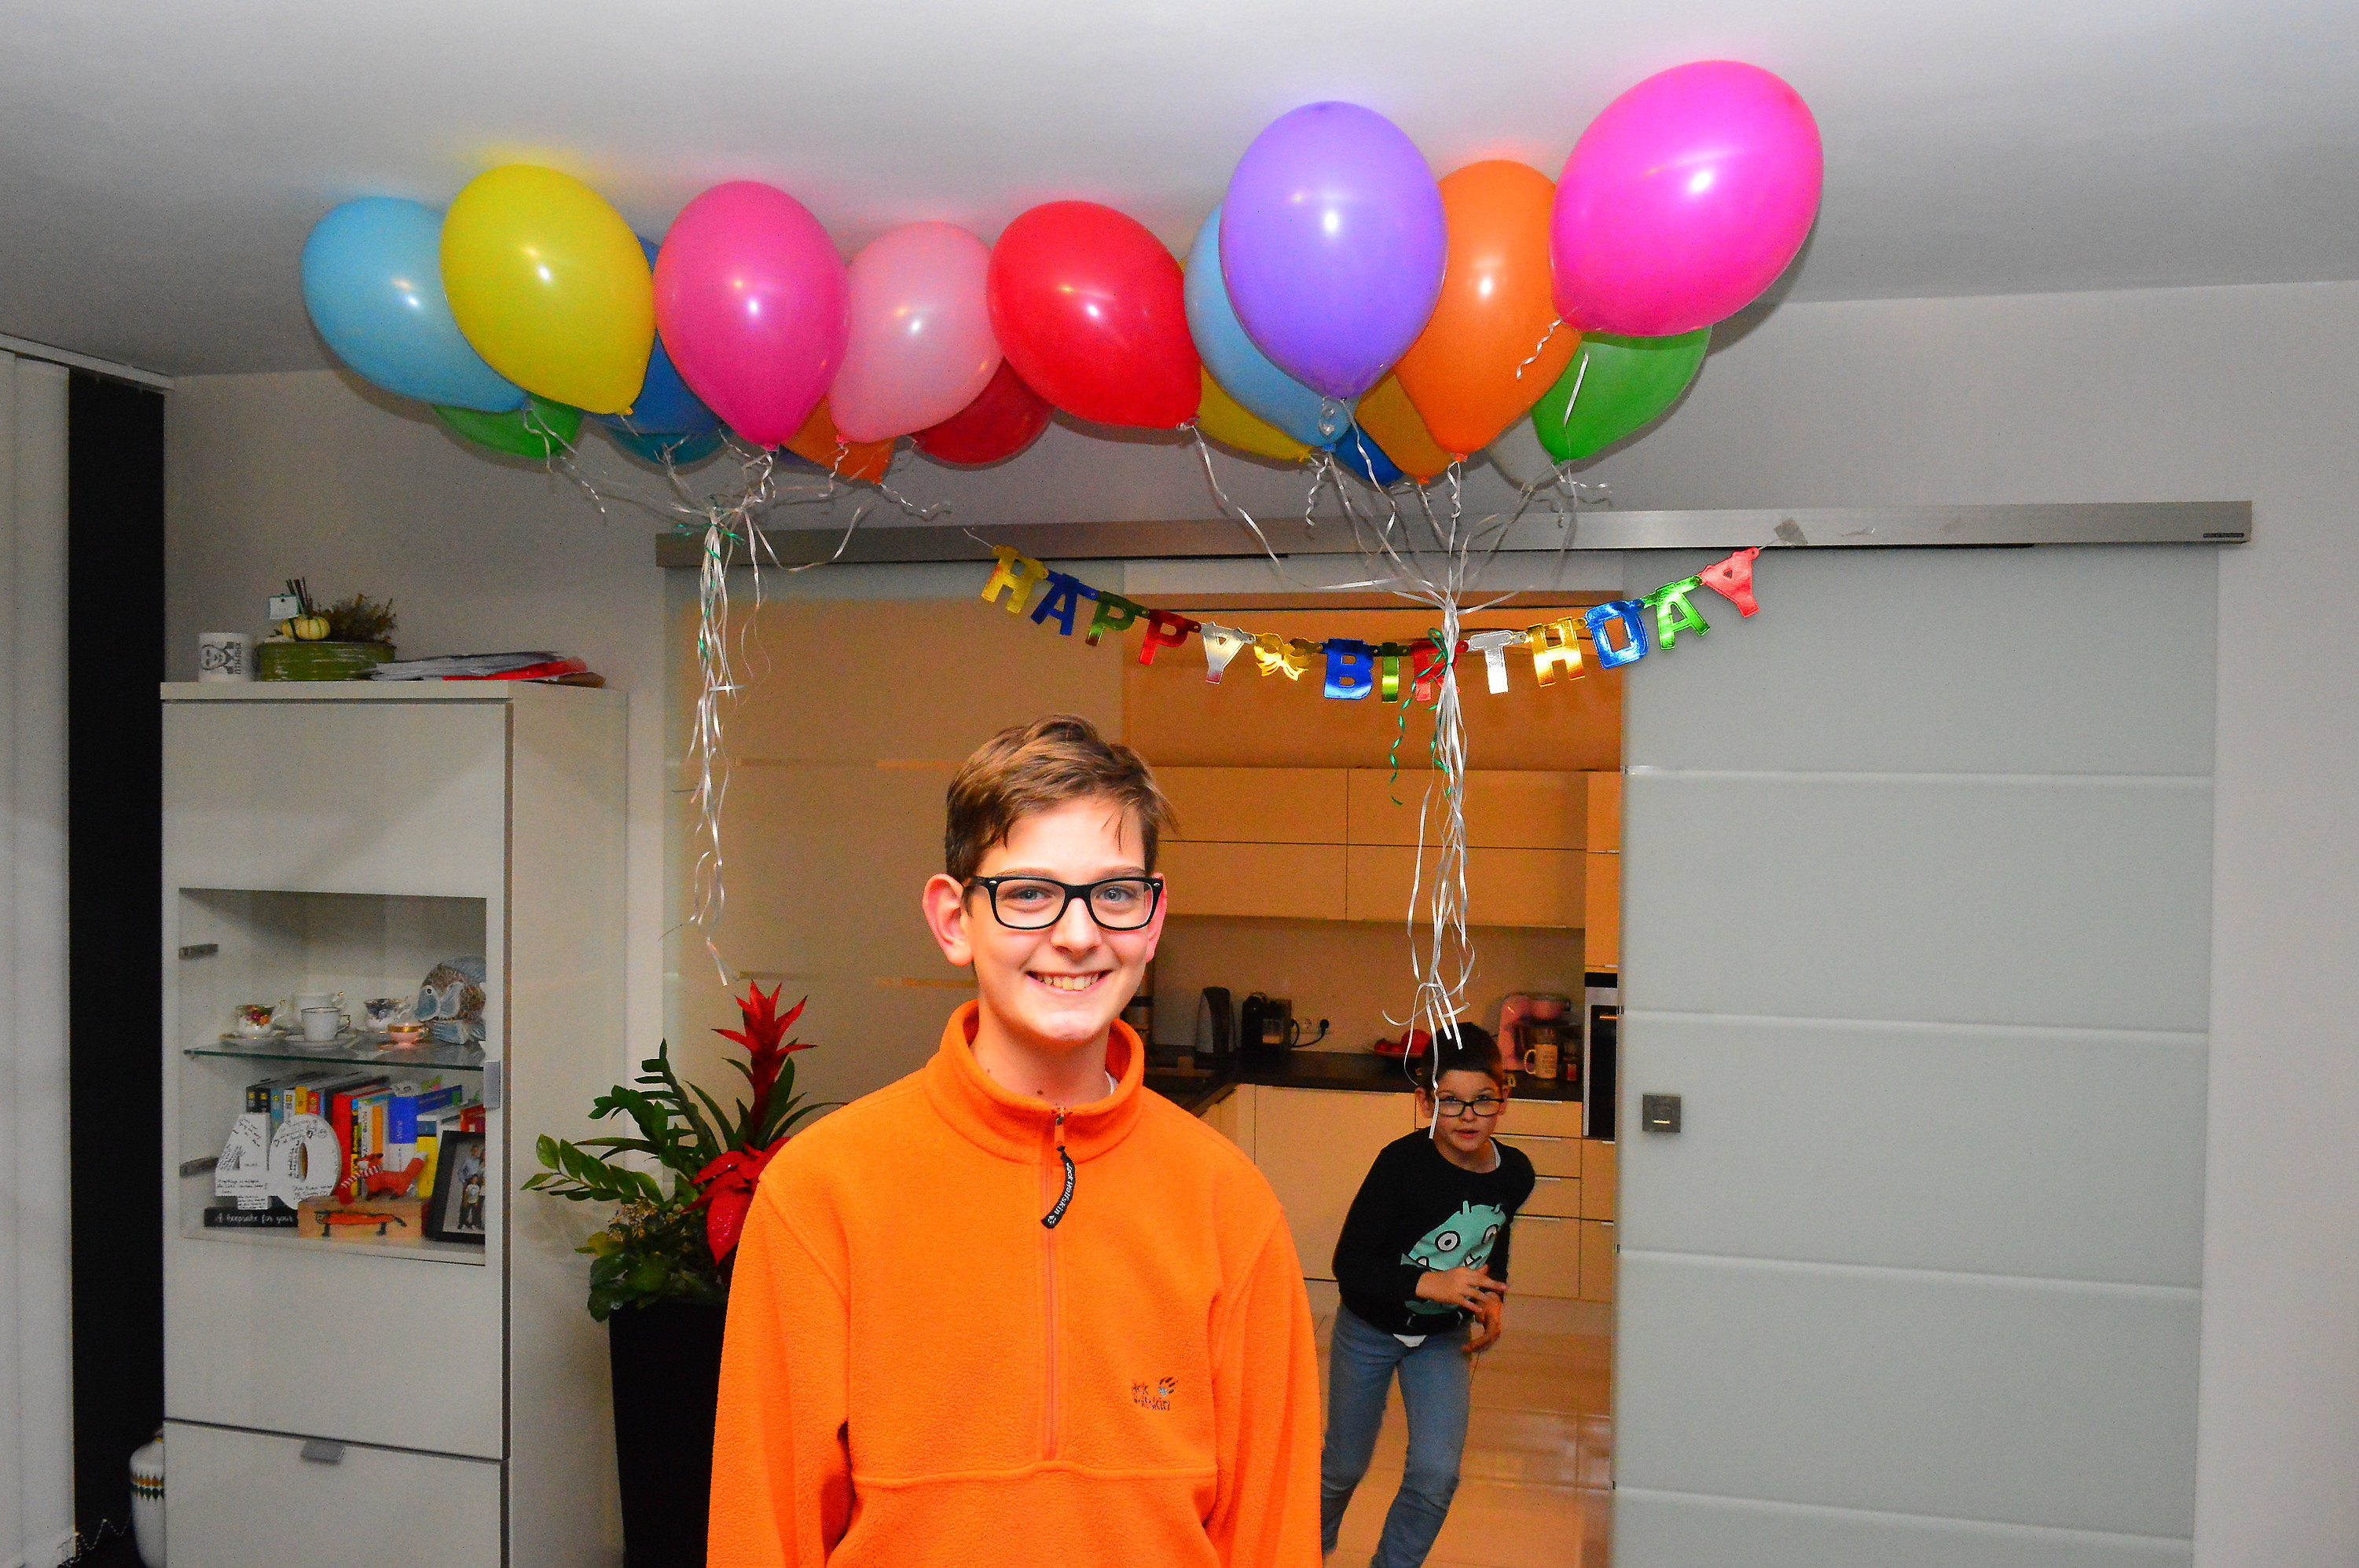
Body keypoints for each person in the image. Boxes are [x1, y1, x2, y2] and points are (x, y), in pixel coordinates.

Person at [710, 714, 1323, 1567]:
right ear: (953, 919)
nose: (1078, 935)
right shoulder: (823, 1191)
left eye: (1115, 894)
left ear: (1152, 918)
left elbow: (1272, 1533)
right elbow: (762, 1529)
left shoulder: (1228, 1202)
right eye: (1029, 893)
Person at [1319, 1025, 1534, 1567]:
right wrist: (1430, 1284)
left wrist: (1491, 1298)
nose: (1467, 1116)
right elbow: (1350, 1265)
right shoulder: (1400, 1166)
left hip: (1441, 1338)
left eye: (1483, 1100)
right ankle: (1299, 1548)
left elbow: (1494, 1237)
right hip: (1368, 1330)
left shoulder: (1515, 1174)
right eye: (1450, 1101)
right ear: (1425, 1102)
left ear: (1505, 1098)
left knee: (1437, 1474)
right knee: (1342, 1466)